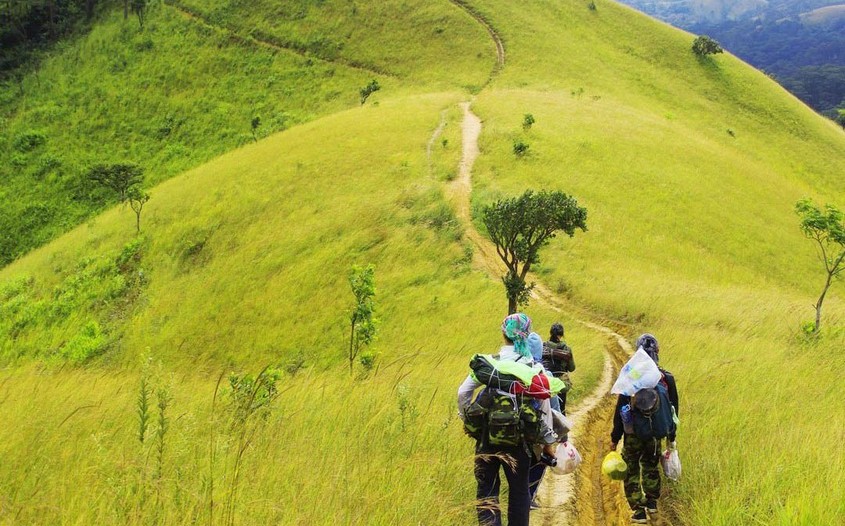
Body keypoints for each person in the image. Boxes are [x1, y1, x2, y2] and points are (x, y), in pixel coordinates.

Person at [458, 314, 558, 526]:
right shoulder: (533, 368)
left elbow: (463, 393)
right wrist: (547, 442)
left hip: (487, 437)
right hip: (519, 442)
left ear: (504, 334)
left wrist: (466, 419)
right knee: (519, 492)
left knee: (487, 491)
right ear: (527, 334)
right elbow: (544, 404)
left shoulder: (490, 364)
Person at [609, 333, 679, 524]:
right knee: (651, 466)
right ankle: (652, 503)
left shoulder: (631, 377)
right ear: (657, 351)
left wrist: (615, 438)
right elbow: (673, 411)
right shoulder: (666, 378)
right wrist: (671, 437)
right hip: (655, 434)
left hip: (632, 435)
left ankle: (638, 511)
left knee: (631, 470)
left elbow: (619, 411)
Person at [541, 322, 575, 414]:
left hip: (545, 381)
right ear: (562, 335)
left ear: (550, 333)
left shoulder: (543, 346)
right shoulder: (567, 349)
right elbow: (572, 368)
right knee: (561, 408)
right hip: (561, 383)